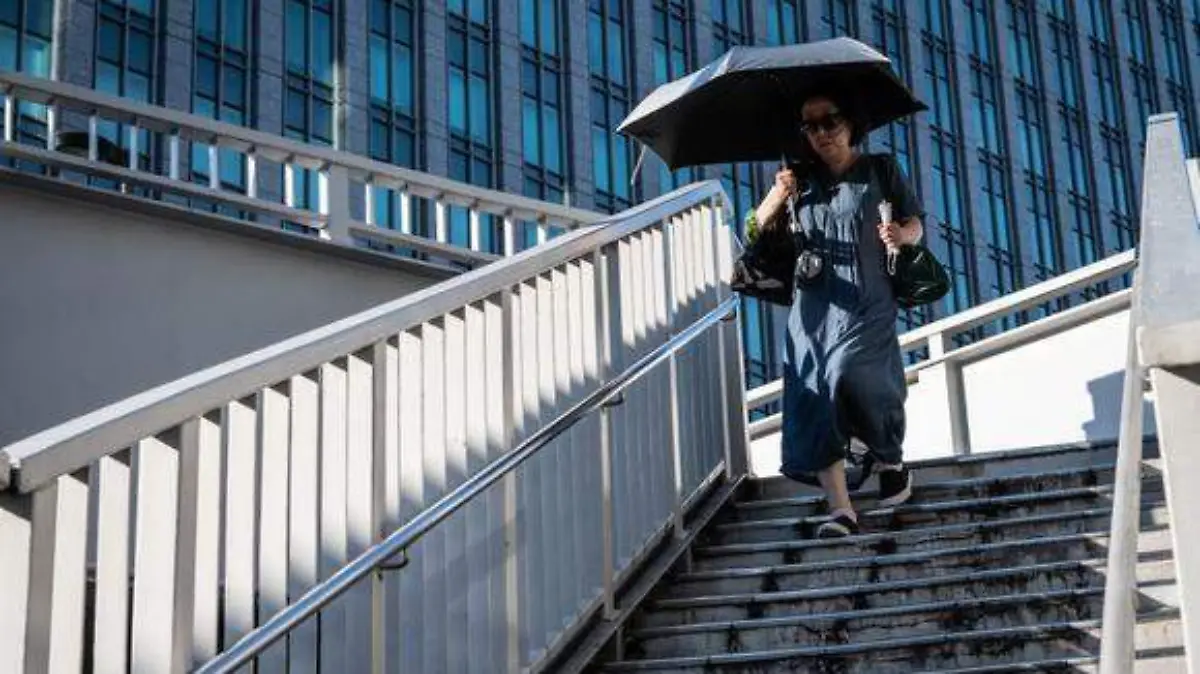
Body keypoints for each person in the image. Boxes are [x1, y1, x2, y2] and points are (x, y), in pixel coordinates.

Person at [747, 91, 924, 537]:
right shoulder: (797, 180)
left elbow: (916, 224)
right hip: (814, 305)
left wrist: (900, 234)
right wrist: (778, 194)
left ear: (851, 123)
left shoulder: (881, 169)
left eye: (830, 121)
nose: (821, 133)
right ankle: (841, 510)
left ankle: (888, 457)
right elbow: (753, 230)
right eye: (810, 126)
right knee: (814, 395)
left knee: (851, 372)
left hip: (869, 297)